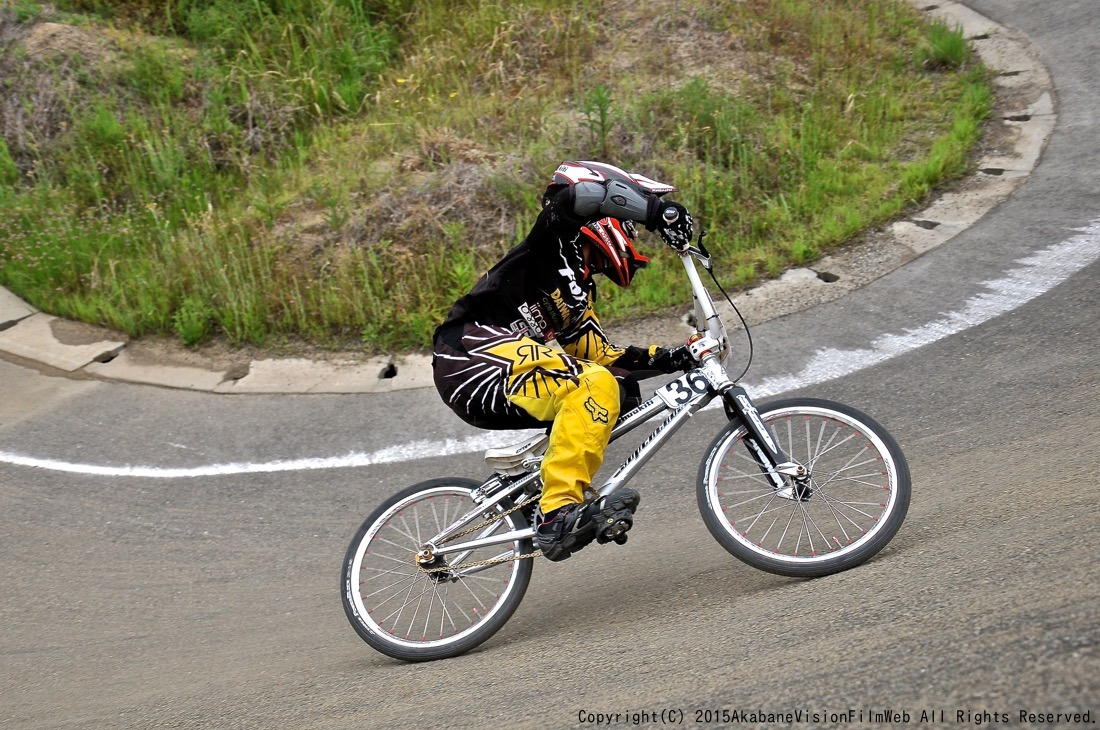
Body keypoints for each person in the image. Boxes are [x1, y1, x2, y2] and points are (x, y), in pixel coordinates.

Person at [431, 161, 695, 562]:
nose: (629, 232)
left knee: (616, 389)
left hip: (496, 369)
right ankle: (557, 514)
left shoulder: (577, 297)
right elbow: (578, 197)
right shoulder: (554, 238)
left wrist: (679, 356)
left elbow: (607, 358)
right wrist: (657, 212)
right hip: (470, 354)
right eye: (626, 223)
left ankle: (537, 486)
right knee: (592, 384)